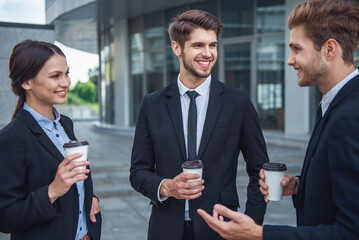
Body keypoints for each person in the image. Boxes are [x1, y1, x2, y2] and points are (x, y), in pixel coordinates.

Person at [198, 0, 359, 239]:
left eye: (297, 49)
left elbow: (351, 231)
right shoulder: (336, 105)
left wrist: (259, 233)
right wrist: (299, 186)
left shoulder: (350, 117)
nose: (289, 60)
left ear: (329, 49)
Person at [130, 10, 269, 240]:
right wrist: (166, 186)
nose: (208, 54)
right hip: (165, 230)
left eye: (212, 45)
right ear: (177, 48)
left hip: (221, 230)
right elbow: (138, 171)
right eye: (198, 45)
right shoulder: (152, 104)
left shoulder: (238, 102)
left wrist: (251, 226)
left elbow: (260, 172)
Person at [0, 40, 102, 240]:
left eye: (66, 73)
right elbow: (5, 218)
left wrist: (90, 197)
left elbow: (75, 182)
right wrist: (52, 191)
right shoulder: (11, 139)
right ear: (26, 82)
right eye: (55, 76)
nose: (65, 82)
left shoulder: (66, 124)